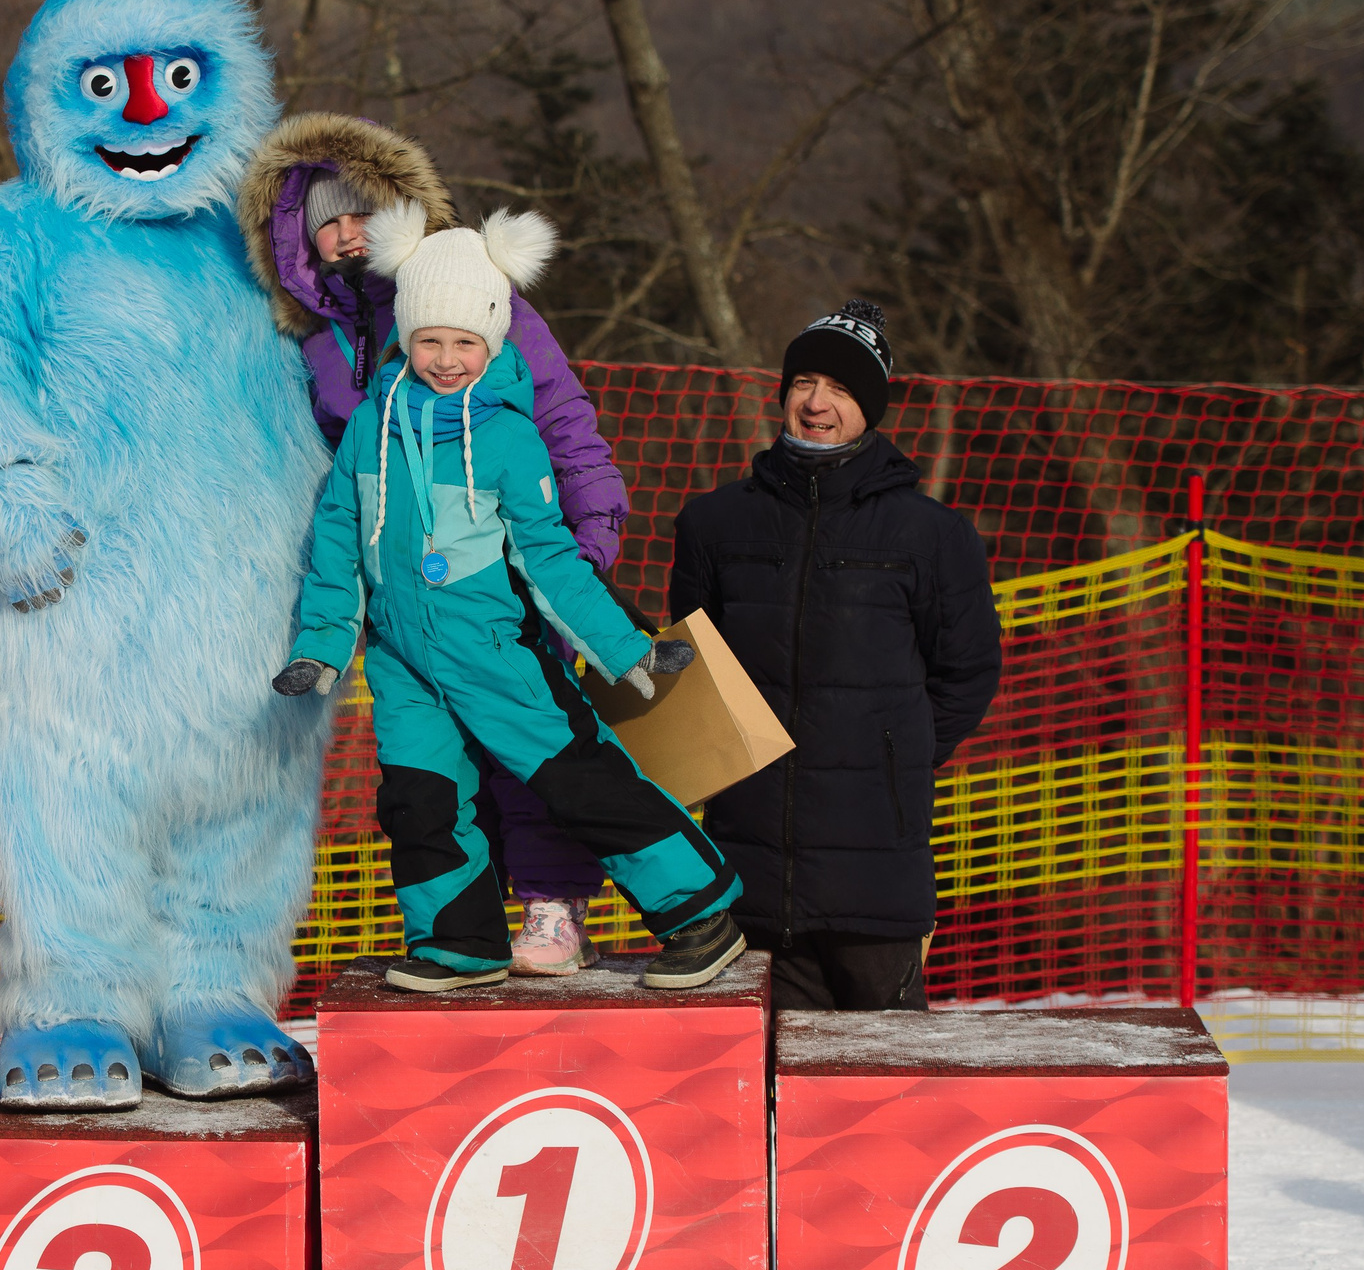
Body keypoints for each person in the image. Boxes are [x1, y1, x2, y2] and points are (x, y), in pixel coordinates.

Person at [276, 202, 745, 993]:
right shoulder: (371, 427)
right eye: (431, 339)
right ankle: (458, 939)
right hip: (402, 660)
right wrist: (321, 644)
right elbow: (335, 539)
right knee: (420, 801)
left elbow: (551, 559)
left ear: (493, 340)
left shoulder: (506, 433)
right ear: (407, 334)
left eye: (466, 342)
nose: (448, 358)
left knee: (576, 781)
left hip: (497, 647)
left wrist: (621, 645)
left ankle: (700, 909)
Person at [239, 113, 636, 976]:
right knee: (429, 772)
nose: (347, 237)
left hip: (507, 570)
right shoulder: (315, 346)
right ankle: (466, 922)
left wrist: (590, 533)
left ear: (399, 213)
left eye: (360, 214)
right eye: (326, 225)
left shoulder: (469, 298)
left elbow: (563, 416)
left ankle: (552, 908)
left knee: (530, 747)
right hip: (405, 598)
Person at [669, 300, 1002, 1011]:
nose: (817, 403)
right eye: (805, 382)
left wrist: (894, 751)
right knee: (751, 1094)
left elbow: (968, 671)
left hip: (876, 879)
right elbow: (694, 671)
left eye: (842, 389)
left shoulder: (935, 535)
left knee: (883, 1097)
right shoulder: (714, 521)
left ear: (871, 405)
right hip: (743, 870)